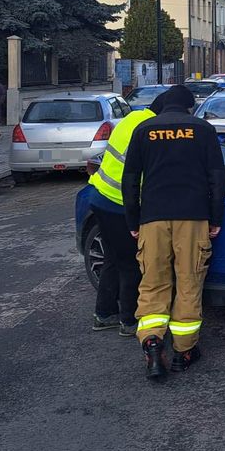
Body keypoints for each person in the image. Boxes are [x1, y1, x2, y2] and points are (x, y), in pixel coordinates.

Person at [122, 84, 225, 381]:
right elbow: (217, 179)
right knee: (188, 281)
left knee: (153, 282)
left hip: (152, 218)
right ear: (189, 106)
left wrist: (133, 221)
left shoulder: (143, 130)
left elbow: (130, 181)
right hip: (193, 218)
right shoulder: (203, 129)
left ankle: (152, 343)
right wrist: (215, 218)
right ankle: (184, 351)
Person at [87, 92, 164, 335]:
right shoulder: (150, 130)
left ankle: (104, 314)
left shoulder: (133, 118)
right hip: (118, 201)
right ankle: (129, 322)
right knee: (131, 262)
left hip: (99, 194)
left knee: (112, 259)